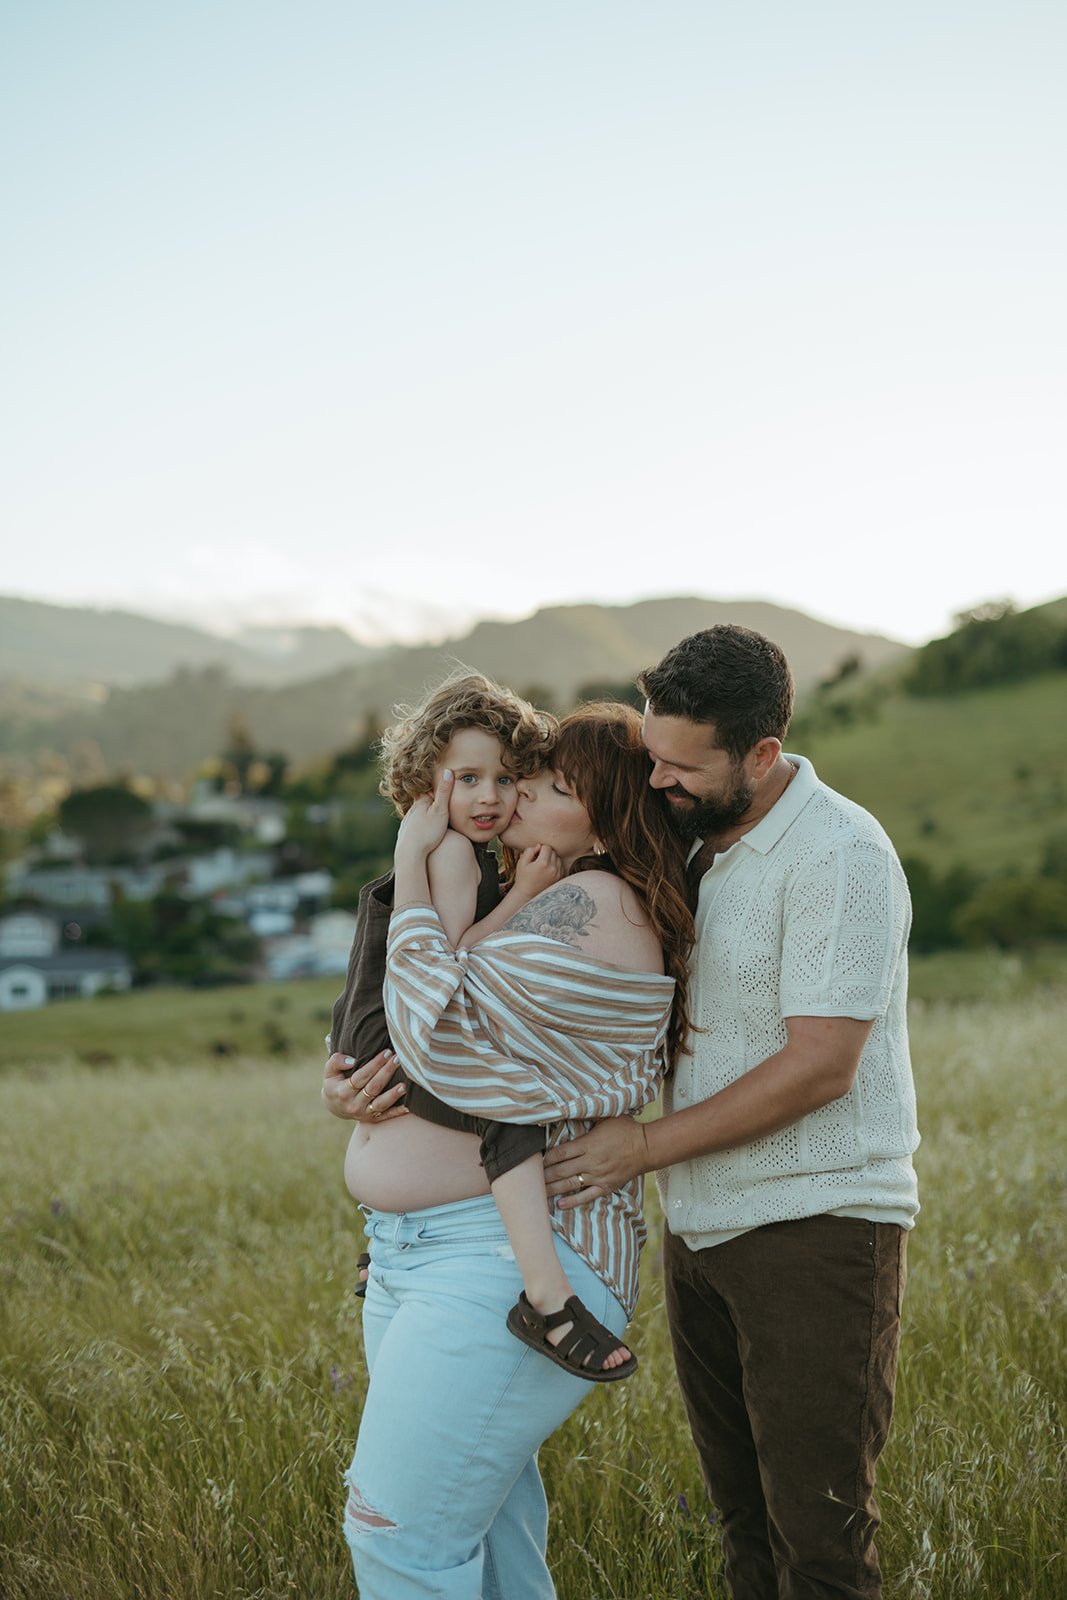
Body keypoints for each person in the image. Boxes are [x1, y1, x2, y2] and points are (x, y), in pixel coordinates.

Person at [543, 625, 919, 1600]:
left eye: (681, 764)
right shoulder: (694, 847)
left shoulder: (838, 852)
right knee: (743, 1533)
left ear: (760, 753)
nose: (656, 780)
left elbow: (819, 1064)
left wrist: (641, 1147)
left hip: (814, 1227)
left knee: (819, 1547)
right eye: (651, 755)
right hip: (699, 1228)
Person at [322, 702, 693, 1599]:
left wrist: (411, 861)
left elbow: (428, 1027)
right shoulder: (552, 894)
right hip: (427, 1253)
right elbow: (441, 1021)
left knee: (398, 1540)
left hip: (494, 1262)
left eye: (551, 786)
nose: (517, 794)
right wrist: (350, 1091)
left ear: (608, 815)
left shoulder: (591, 903)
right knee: (484, 1541)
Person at [330, 670, 634, 1376]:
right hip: (390, 1025)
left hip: (371, 1024)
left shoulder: (454, 852)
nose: (491, 797)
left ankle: (392, 1245)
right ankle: (550, 1300)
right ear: (425, 781)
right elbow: (449, 968)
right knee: (508, 1114)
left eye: (506, 778)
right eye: (466, 779)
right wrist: (523, 895)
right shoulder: (450, 856)